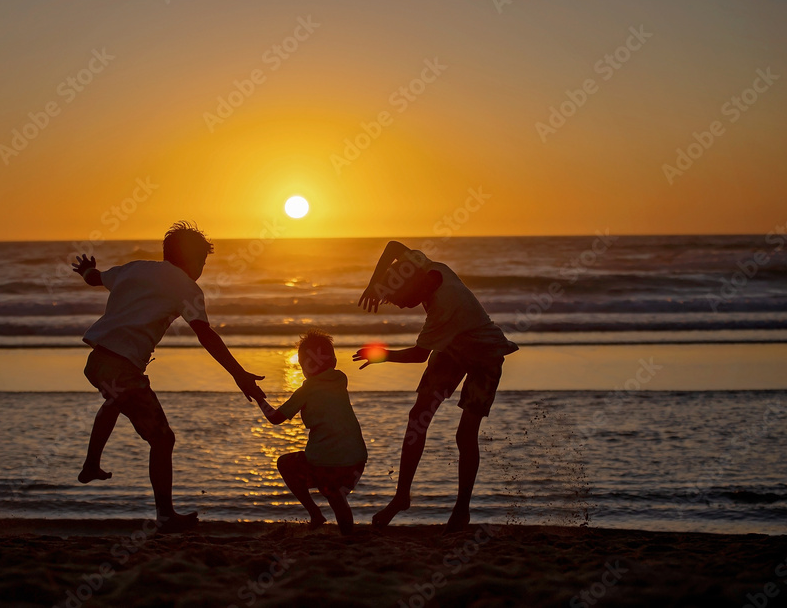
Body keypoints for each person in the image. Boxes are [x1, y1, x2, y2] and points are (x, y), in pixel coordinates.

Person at [73, 221, 265, 532]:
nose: (202, 268)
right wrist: (238, 373)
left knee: (122, 403)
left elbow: (96, 279)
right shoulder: (187, 288)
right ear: (192, 260)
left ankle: (93, 465)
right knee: (161, 437)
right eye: (202, 261)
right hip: (122, 365)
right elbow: (206, 334)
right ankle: (163, 516)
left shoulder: (134, 268)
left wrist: (85, 271)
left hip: (97, 361)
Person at [353, 241, 518, 533]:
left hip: (485, 353)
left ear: (411, 288)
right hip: (452, 347)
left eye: (398, 299)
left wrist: (380, 355)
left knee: (465, 434)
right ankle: (401, 497)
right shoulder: (419, 264)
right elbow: (392, 246)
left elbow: (418, 355)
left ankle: (462, 510)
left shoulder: (443, 306)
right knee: (418, 417)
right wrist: (374, 284)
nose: (397, 305)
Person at [255, 328, 367, 534]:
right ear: (333, 362)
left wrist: (258, 398)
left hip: (326, 460)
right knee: (336, 497)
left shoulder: (305, 391)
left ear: (302, 365)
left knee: (285, 464)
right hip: (357, 459)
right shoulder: (340, 379)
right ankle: (347, 536)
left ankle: (315, 513)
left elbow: (275, 418)